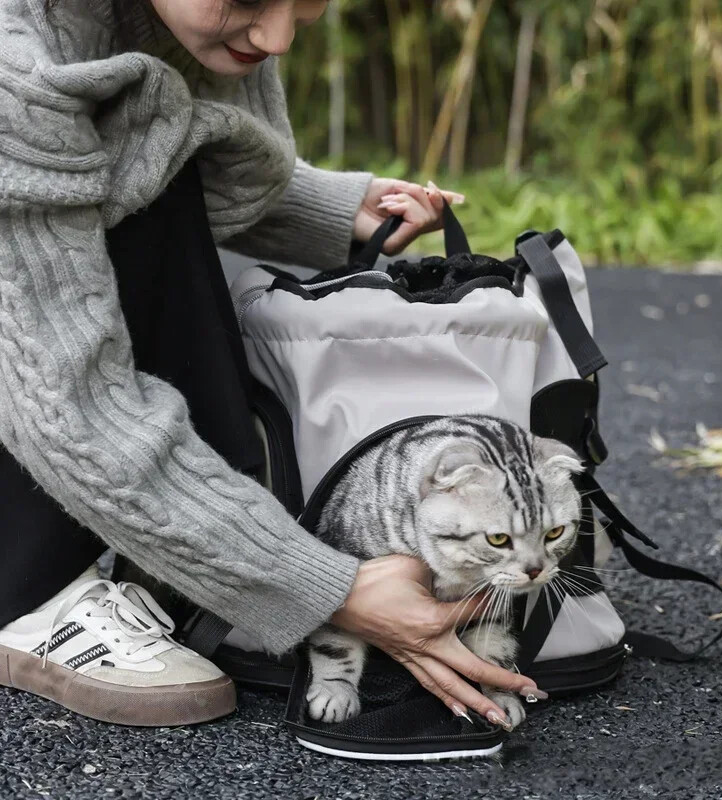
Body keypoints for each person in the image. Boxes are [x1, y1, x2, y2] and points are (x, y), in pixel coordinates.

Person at [0, 0, 538, 730]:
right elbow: (68, 402)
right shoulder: (14, 63)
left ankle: (165, 541)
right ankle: (32, 586)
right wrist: (324, 588)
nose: (279, 36)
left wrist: (325, 205)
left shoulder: (187, 21)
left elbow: (163, 159)